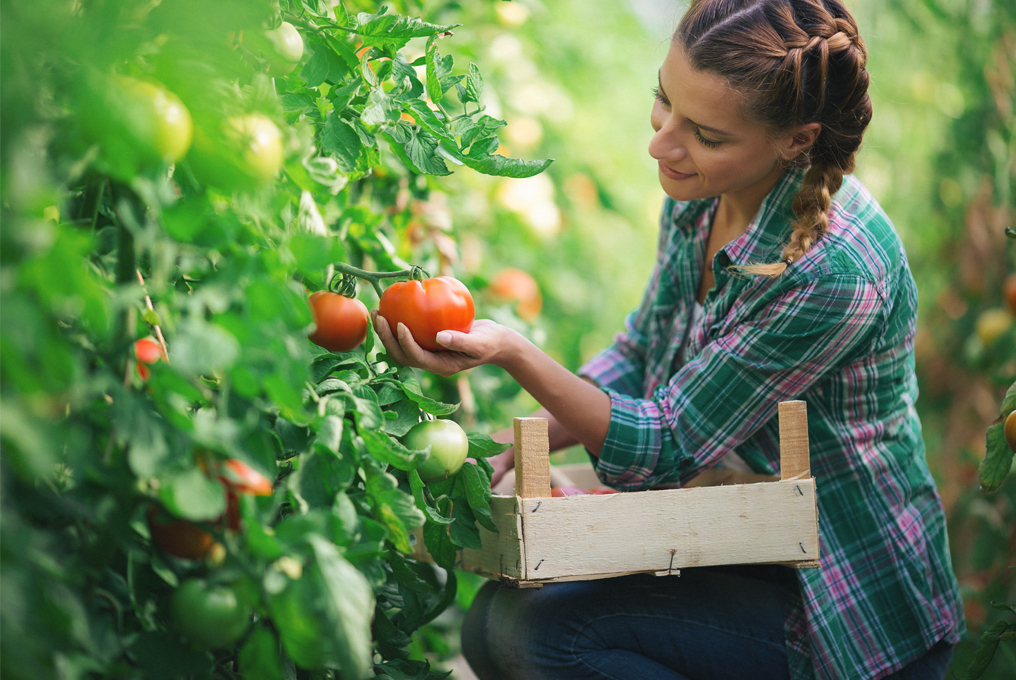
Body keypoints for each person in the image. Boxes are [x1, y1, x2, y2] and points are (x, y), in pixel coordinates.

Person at [372, 0, 966, 677]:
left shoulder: (833, 273)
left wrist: (514, 352)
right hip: (745, 538)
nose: (661, 144)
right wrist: (518, 439)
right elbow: (641, 354)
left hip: (841, 597)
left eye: (705, 134)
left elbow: (665, 448)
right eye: (664, 101)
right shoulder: (704, 197)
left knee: (543, 637)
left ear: (796, 140)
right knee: (489, 626)